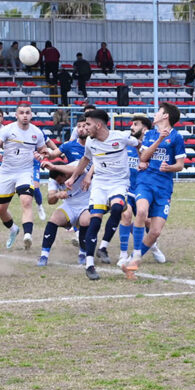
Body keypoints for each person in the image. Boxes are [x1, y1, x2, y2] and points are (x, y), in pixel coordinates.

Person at [65, 109, 141, 280]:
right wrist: (73, 177)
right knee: (95, 220)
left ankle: (104, 245)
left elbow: (137, 144)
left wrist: (142, 159)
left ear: (98, 125)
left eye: (88, 124)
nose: (85, 128)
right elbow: (85, 159)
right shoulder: (90, 143)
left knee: (117, 208)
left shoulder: (120, 137)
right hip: (100, 184)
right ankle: (90, 264)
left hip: (119, 183)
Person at [121, 103, 185, 278]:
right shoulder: (150, 134)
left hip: (164, 188)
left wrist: (169, 167)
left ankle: (134, 262)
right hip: (146, 181)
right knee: (141, 211)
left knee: (156, 231)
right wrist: (159, 140)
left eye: (159, 112)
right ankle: (134, 254)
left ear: (166, 116)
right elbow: (143, 157)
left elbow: (180, 165)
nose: (155, 114)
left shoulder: (177, 137)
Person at [0, 102, 58, 250]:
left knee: (26, 202)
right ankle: (13, 229)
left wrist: (42, 155)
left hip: (25, 172)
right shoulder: (8, 130)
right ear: (16, 115)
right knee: (0, 209)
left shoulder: (37, 132)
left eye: (27, 112)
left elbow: (45, 151)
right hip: (6, 172)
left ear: (31, 115)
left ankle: (28, 235)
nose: (25, 115)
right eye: (22, 112)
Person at [36, 155, 91, 267]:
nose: (60, 184)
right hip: (69, 205)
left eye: (61, 181)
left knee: (85, 221)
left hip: (86, 204)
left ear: (64, 174)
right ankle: (44, 255)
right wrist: (57, 194)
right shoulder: (54, 179)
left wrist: (55, 168)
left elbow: (77, 170)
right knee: (54, 219)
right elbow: (50, 200)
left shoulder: (75, 165)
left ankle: (82, 253)